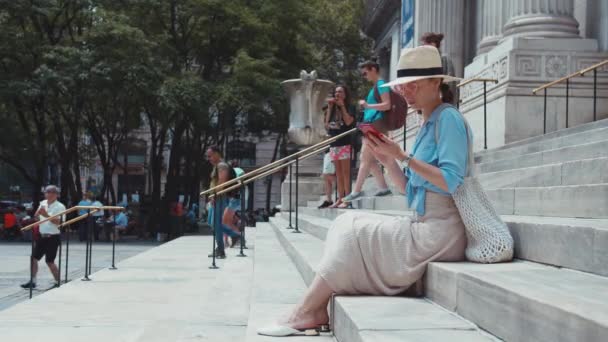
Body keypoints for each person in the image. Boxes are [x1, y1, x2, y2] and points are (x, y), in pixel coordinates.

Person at [258, 46, 469, 337]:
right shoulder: (427, 122)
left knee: (353, 232)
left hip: (442, 232)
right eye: (403, 85)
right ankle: (313, 307)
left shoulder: (449, 119)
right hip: (425, 223)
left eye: (413, 85)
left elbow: (452, 181)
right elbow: (412, 191)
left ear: (436, 83)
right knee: (346, 221)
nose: (405, 92)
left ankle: (307, 310)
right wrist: (387, 160)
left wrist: (404, 157)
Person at [341, 59, 391, 205]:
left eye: (365, 72)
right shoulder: (376, 86)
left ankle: (356, 191)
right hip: (370, 127)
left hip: (376, 127)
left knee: (366, 159)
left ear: (373, 69)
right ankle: (383, 187)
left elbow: (387, 105)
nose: (364, 76)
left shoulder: (381, 85)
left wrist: (368, 105)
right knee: (369, 160)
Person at [21, 185, 66, 289]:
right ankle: (33, 281)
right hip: (41, 236)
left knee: (49, 261)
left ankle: (58, 281)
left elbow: (60, 222)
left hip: (53, 237)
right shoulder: (43, 203)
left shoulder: (60, 206)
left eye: (51, 192)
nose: (48, 194)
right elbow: (37, 217)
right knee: (33, 258)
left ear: (56, 194)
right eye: (47, 192)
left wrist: (46, 216)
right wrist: (36, 216)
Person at [206, 146, 242, 259]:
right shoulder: (217, 166)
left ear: (217, 154)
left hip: (220, 197)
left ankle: (221, 250)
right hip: (217, 197)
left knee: (216, 224)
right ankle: (230, 238)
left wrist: (214, 196)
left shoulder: (222, 165)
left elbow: (222, 182)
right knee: (213, 223)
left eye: (210, 155)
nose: (209, 158)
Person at [324, 85, 355, 209]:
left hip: (345, 142)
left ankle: (347, 199)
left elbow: (348, 122)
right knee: (338, 174)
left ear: (345, 94)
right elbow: (327, 125)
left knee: (346, 173)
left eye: (340, 91)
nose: (337, 94)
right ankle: (339, 199)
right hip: (334, 143)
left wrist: (342, 106)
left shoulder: (349, 107)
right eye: (336, 92)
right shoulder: (331, 107)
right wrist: (330, 108)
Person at [421, 32, 457, 105]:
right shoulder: (424, 62)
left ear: (434, 44)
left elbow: (451, 81)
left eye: (426, 44)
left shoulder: (445, 59)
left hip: (444, 100)